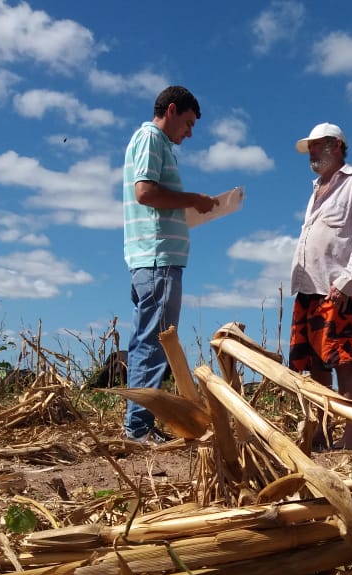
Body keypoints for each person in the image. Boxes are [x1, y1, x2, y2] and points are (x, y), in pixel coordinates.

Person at [122, 85, 218, 443]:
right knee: (157, 341)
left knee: (146, 340)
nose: (189, 132)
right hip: (157, 258)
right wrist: (193, 199)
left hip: (152, 257)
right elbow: (145, 192)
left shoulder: (154, 144)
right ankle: (139, 429)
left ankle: (139, 423)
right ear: (172, 110)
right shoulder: (151, 139)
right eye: (189, 123)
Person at [288, 122, 352, 450]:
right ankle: (320, 432)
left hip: (336, 287)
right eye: (310, 147)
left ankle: (350, 435)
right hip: (308, 287)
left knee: (342, 359)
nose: (311, 152)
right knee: (315, 364)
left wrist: (349, 280)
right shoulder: (316, 189)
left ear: (337, 145)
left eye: (317, 145)